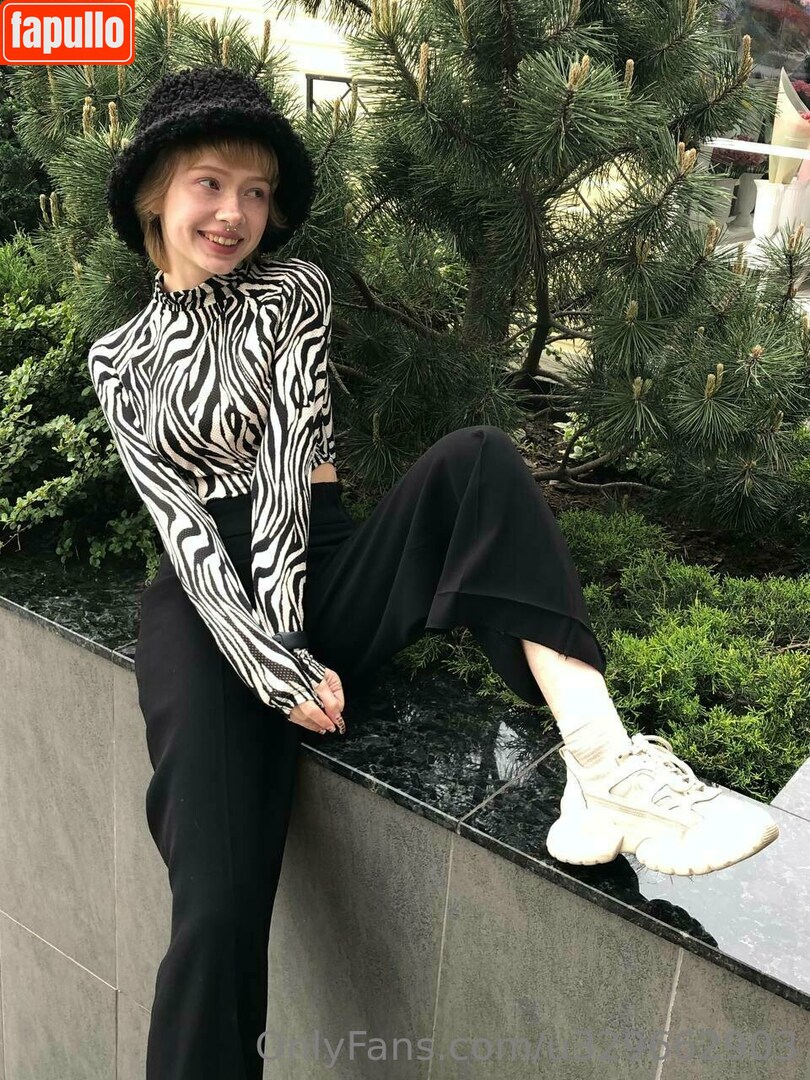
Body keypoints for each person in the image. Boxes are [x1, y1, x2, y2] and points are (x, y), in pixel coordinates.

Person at [90, 65, 780, 1080]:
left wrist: (295, 643)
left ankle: (605, 768)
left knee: (478, 463)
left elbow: (286, 472)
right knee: (216, 903)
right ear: (156, 195)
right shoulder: (118, 359)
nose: (235, 212)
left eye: (256, 191)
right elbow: (183, 528)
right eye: (210, 184)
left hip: (316, 557)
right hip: (203, 615)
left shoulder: (293, 292)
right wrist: (273, 667)